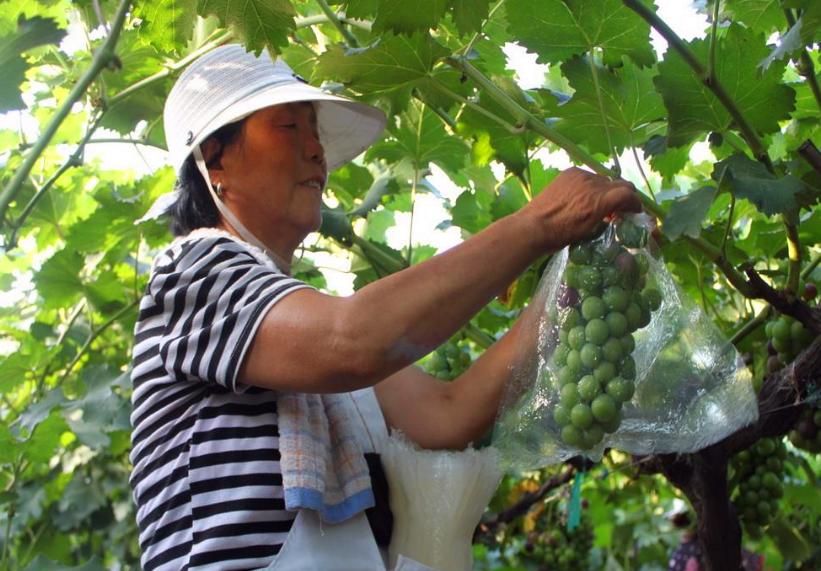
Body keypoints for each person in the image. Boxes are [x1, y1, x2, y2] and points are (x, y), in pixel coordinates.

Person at [129, 44, 641, 571]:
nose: (316, 150)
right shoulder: (193, 270)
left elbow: (445, 415)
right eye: (289, 127)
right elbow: (351, 341)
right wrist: (539, 224)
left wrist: (568, 301)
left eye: (316, 132)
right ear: (214, 156)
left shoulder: (292, 324)